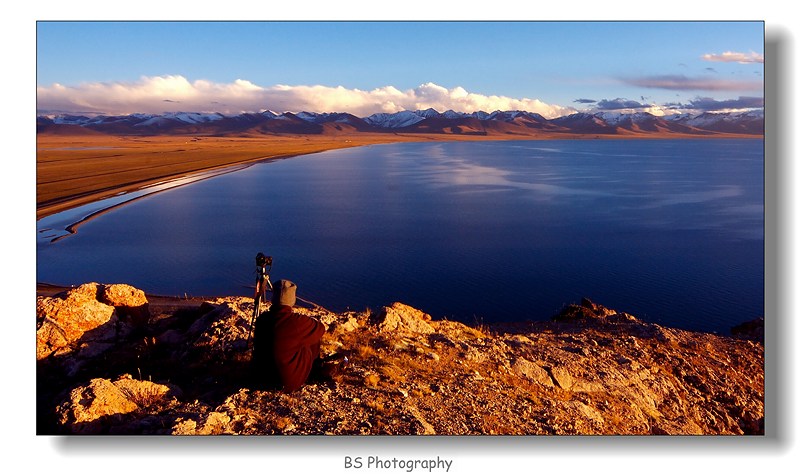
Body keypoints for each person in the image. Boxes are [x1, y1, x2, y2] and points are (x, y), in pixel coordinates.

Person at [251, 279, 325, 392]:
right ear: (292, 299)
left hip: (261, 378)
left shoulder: (262, 319)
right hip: (286, 383)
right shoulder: (297, 322)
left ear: (273, 298)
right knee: (312, 338)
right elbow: (321, 329)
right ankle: (313, 372)